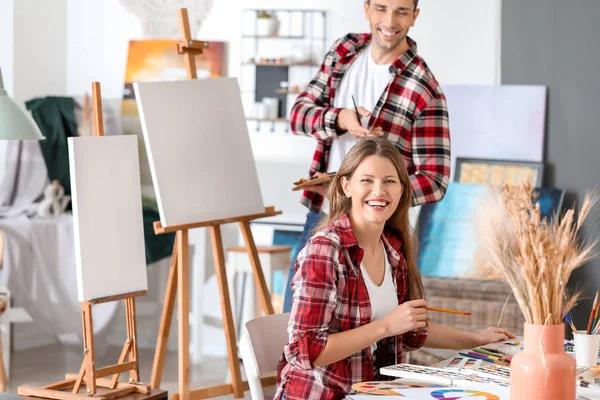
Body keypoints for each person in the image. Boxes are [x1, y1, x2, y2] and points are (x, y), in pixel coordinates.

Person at [274, 138, 514, 400]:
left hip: (375, 393)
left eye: (389, 181)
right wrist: (386, 326)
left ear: (402, 190)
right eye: (367, 180)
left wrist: (477, 340)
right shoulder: (325, 251)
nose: (379, 191)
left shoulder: (392, 251)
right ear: (346, 186)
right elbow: (306, 351)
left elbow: (409, 332)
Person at [283, 0, 451, 312]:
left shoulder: (424, 87)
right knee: (296, 315)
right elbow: (297, 115)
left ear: (415, 16)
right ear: (367, 9)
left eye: (402, 11)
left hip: (376, 228)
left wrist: (377, 194)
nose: (390, 20)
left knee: (369, 325)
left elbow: (435, 179)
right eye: (382, 8)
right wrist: (340, 118)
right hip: (322, 212)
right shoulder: (344, 51)